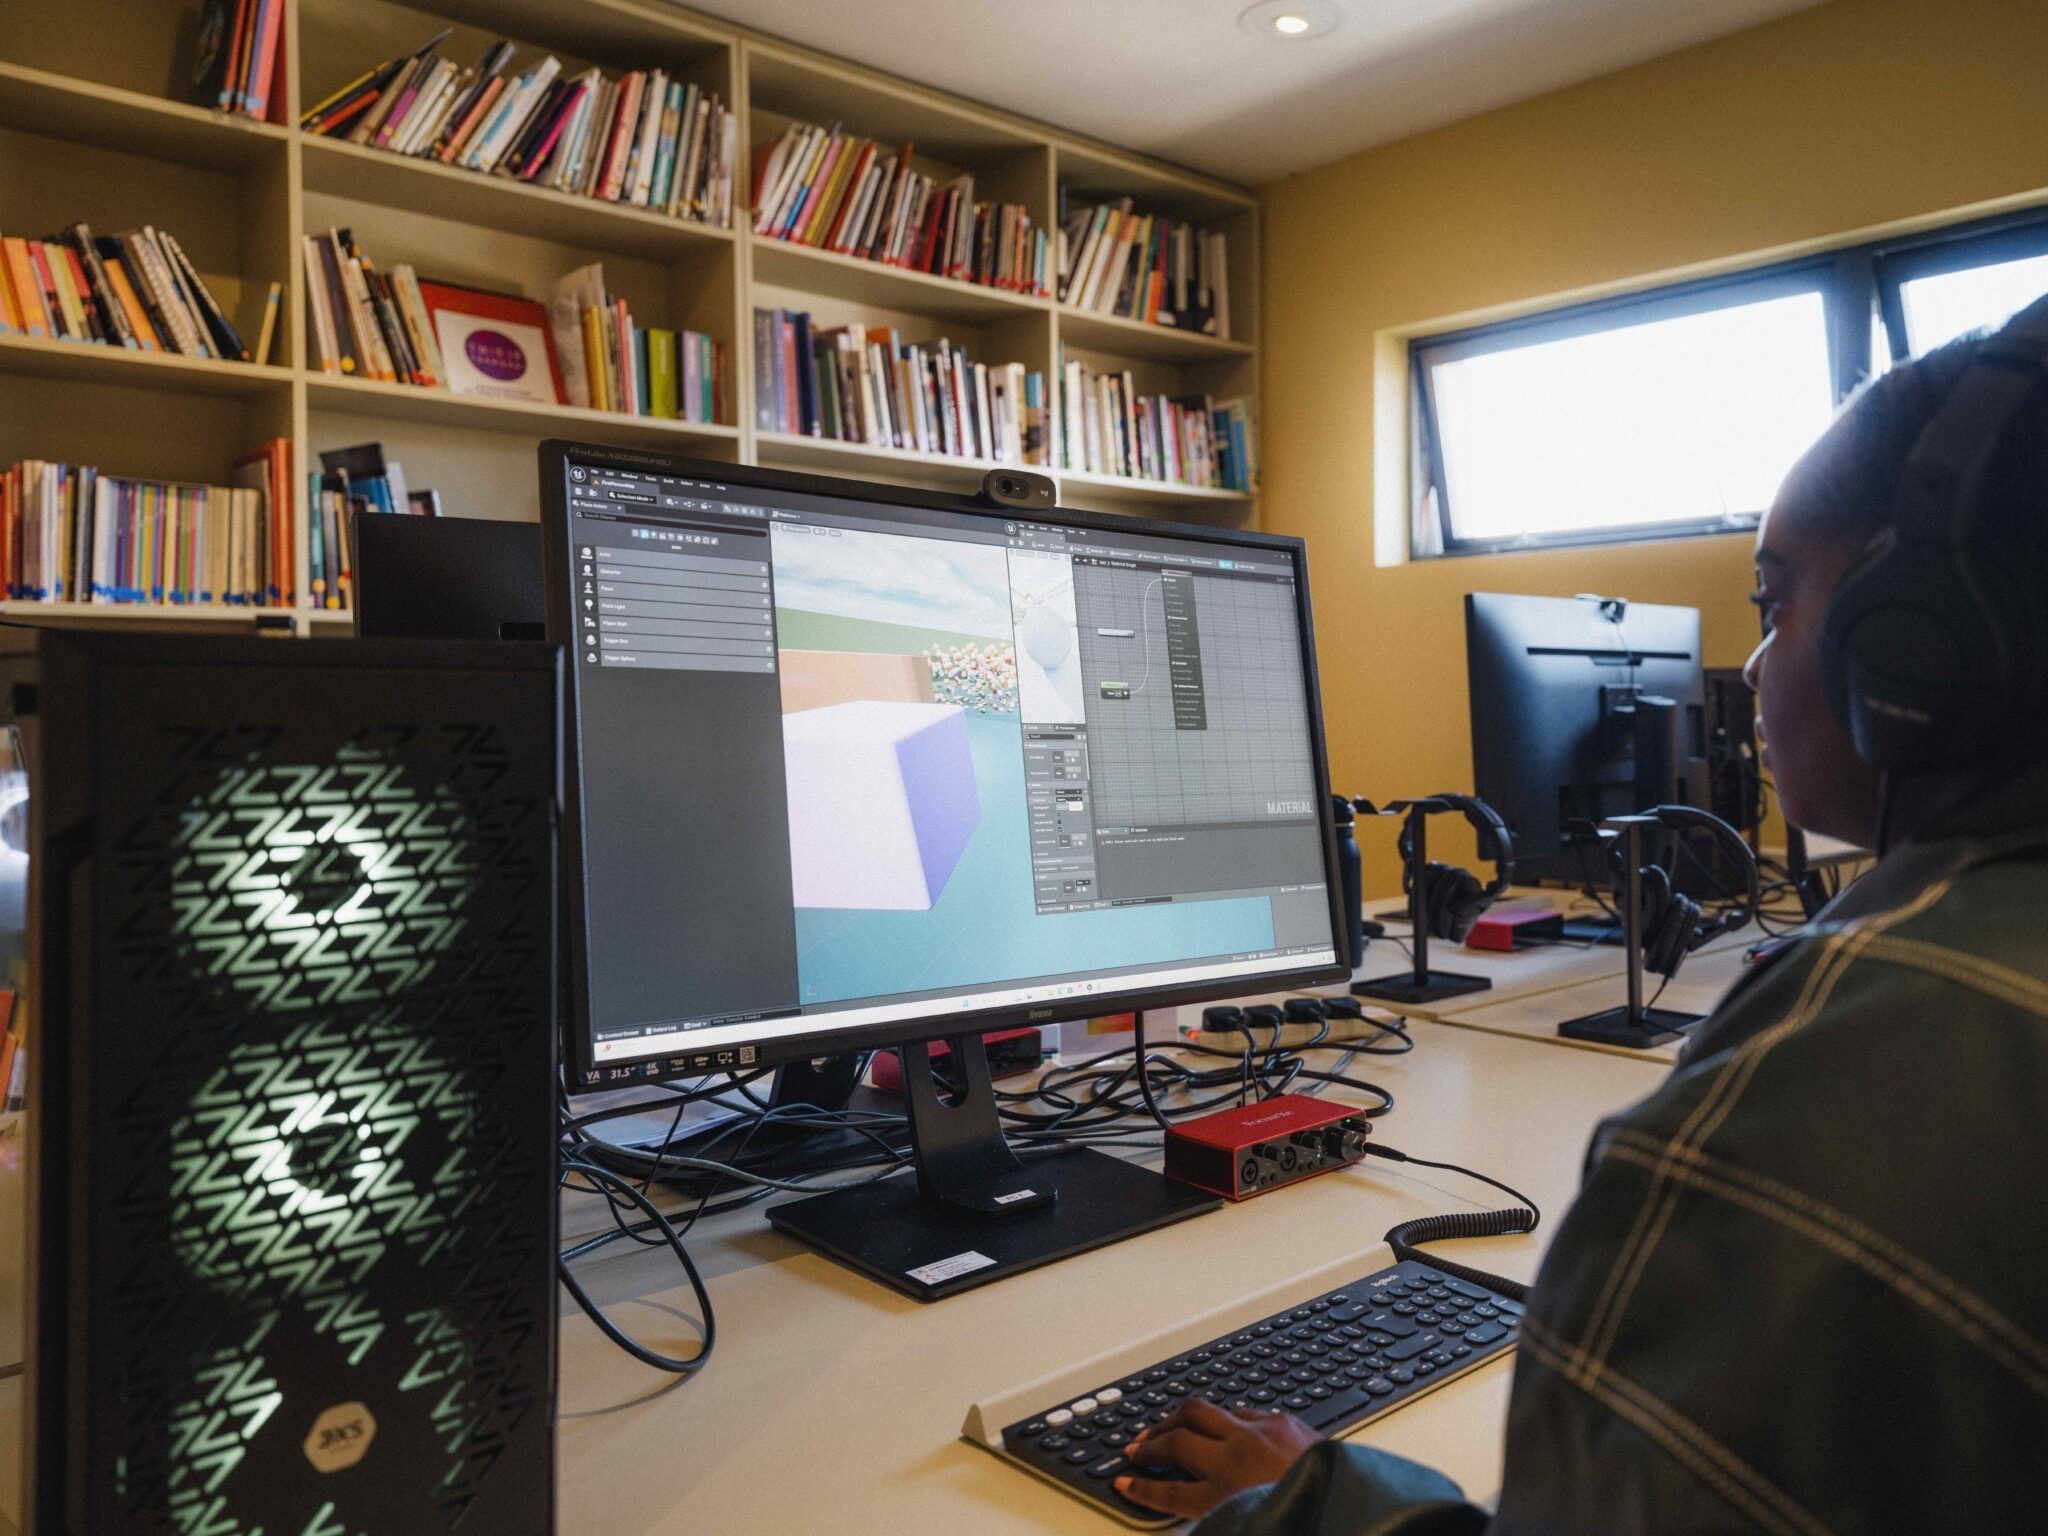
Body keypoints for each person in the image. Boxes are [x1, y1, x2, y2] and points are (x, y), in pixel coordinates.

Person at [1115, 296, 2048, 1534]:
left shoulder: (1868, 1056)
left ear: (1918, 643)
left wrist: (1314, 1507)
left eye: (1773, 603)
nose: (1755, 668)